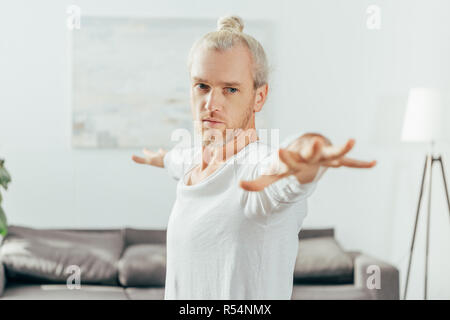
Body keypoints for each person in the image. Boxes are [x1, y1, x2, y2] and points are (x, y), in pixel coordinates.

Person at [132, 15, 376, 300]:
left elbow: (284, 173)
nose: (211, 104)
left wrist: (309, 152)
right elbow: (176, 159)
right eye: (202, 86)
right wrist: (160, 158)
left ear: (259, 97)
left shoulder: (257, 173)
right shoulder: (191, 162)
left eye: (230, 89)